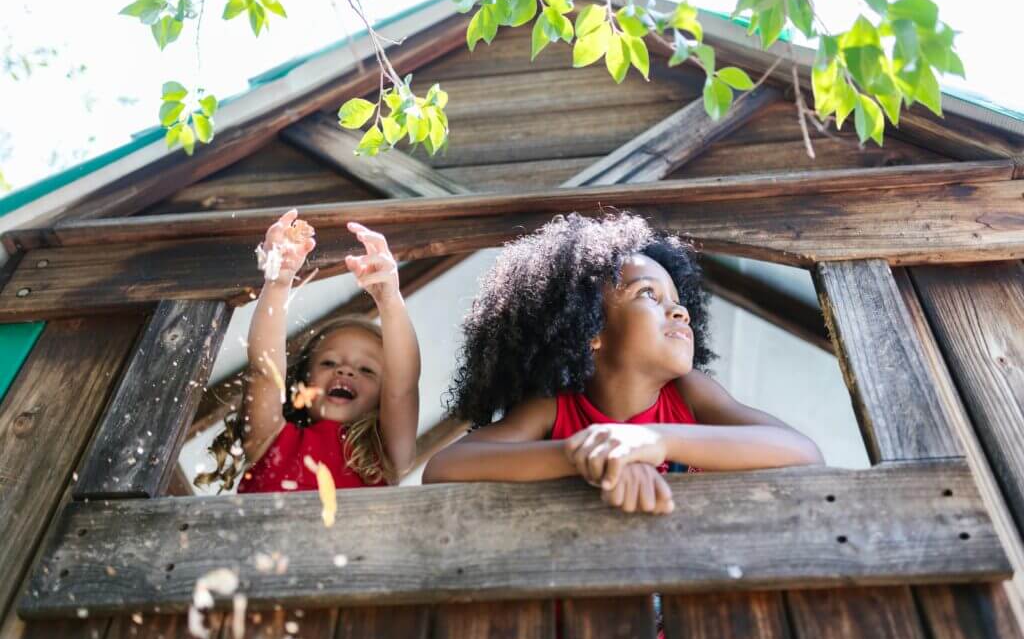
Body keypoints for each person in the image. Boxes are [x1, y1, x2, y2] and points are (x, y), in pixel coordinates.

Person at [424, 212, 823, 514]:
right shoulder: (555, 409)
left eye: (677, 301)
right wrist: (584, 456)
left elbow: (803, 453)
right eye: (648, 294)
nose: (679, 312)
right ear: (589, 330)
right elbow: (443, 467)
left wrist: (654, 442)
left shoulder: (690, 393)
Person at [195, 210, 420, 494]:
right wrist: (278, 282)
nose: (345, 370)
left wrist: (389, 299)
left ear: (384, 397)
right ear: (303, 380)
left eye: (367, 370)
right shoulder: (272, 441)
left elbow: (404, 386)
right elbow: (265, 370)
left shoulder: (385, 457)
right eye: (328, 362)